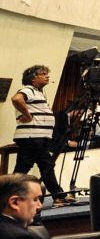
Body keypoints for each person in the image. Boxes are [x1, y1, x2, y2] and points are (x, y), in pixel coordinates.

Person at [11, 65, 67, 203]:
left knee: (47, 167)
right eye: (43, 74)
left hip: (39, 137)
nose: (47, 76)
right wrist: (27, 115)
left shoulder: (38, 92)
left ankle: (58, 196)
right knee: (23, 169)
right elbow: (16, 99)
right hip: (32, 137)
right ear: (33, 78)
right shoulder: (28, 89)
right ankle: (8, 196)